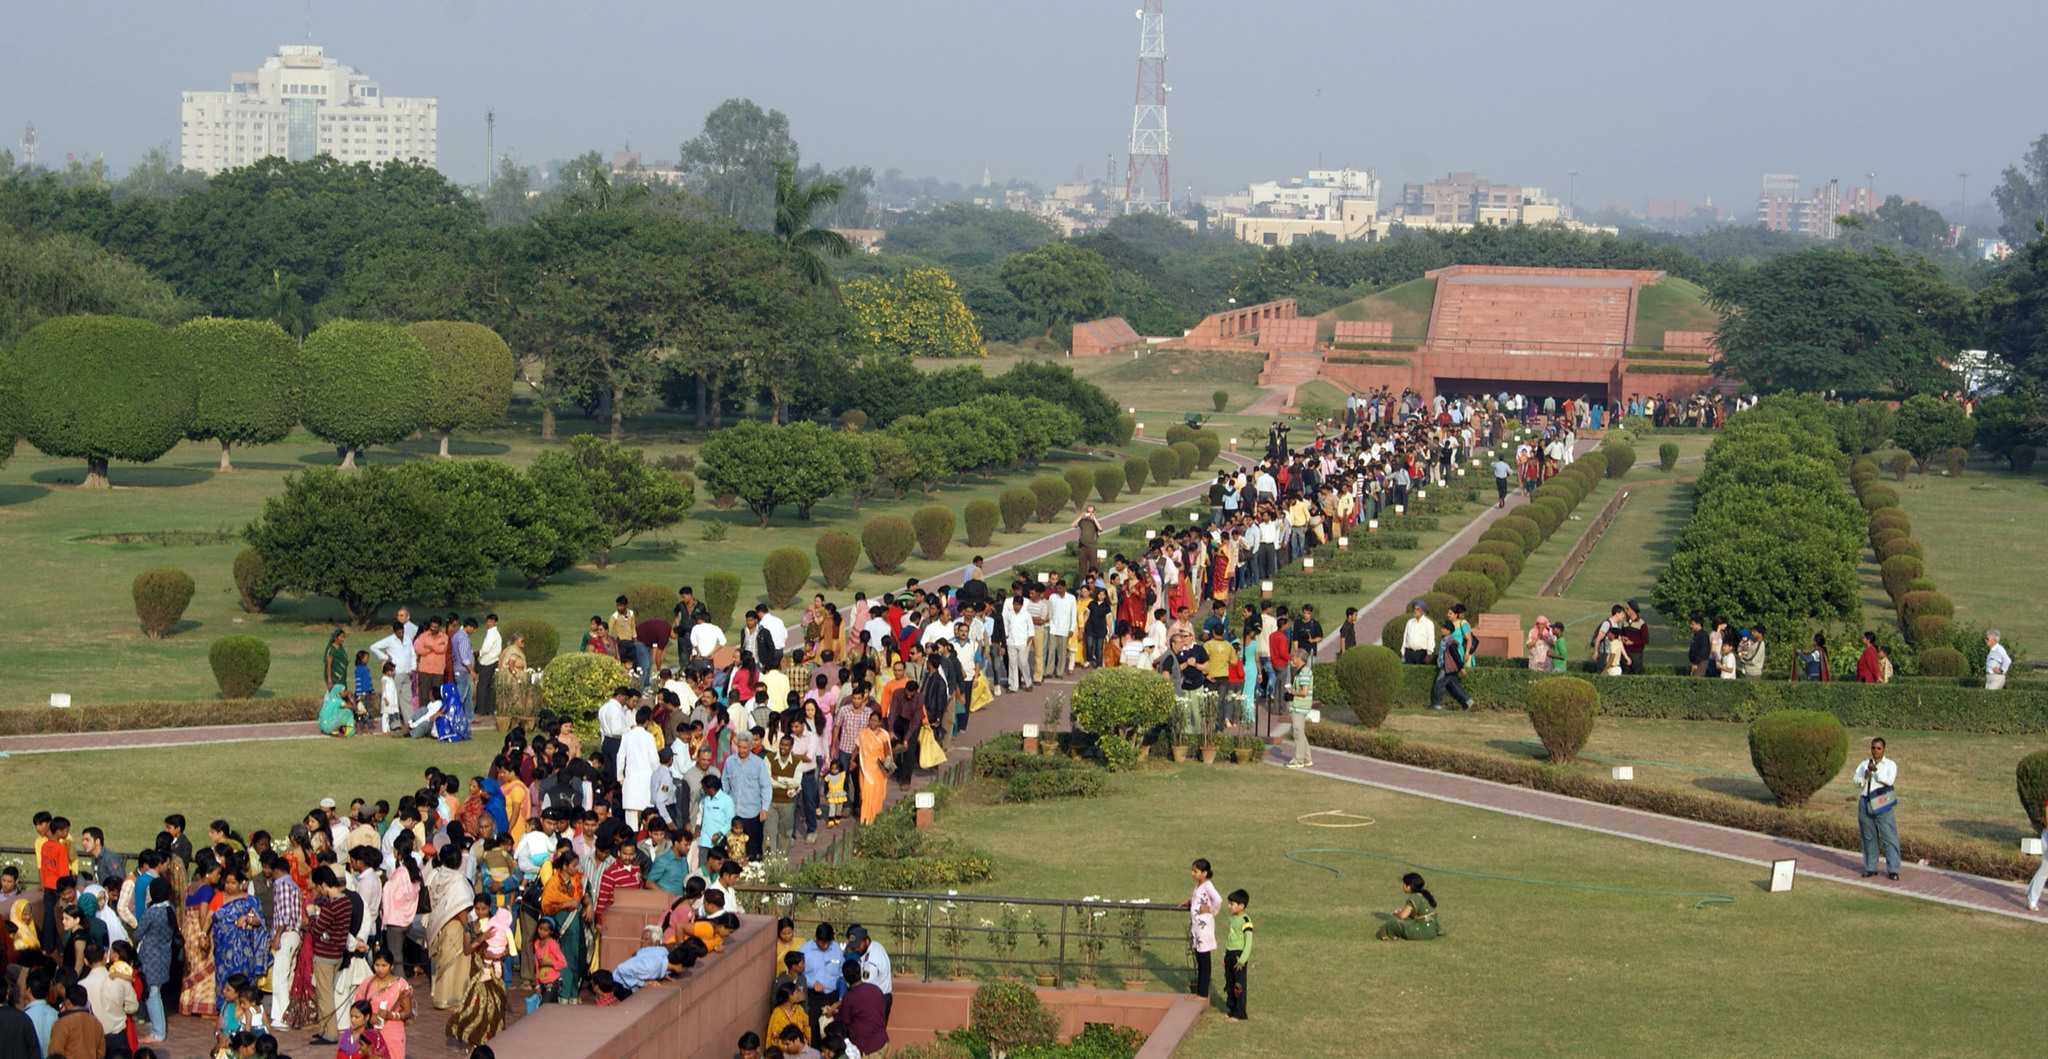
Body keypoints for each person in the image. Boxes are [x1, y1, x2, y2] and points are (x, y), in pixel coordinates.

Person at [447, 899, 507, 1047]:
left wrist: (499, 955)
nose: (480, 912)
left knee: (495, 1004)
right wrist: (481, 939)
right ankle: (473, 1039)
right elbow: (467, 951)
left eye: (484, 909)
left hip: (494, 969)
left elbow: (506, 946)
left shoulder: (497, 924)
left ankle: (491, 1038)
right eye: (477, 909)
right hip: (477, 970)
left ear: (490, 908)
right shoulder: (470, 927)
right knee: (475, 1004)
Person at [352, 949, 413, 1059]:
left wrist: (391, 1015)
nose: (380, 969)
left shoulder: (401, 985)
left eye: (384, 966)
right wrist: (369, 1016)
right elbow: (357, 1006)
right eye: (377, 965)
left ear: (391, 966)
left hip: (393, 1033)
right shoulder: (367, 983)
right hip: (371, 1032)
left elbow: (408, 1012)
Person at [1854, 737, 1900, 880]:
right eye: (1873, 748)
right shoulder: (1864, 764)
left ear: (1884, 749)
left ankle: (1893, 870)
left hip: (1882, 802)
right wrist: (1864, 777)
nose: (1875, 751)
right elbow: (1856, 782)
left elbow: (1889, 781)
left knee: (1889, 836)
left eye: (1879, 748)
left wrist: (1876, 772)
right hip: (1865, 800)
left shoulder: (1890, 765)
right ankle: (1870, 867)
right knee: (1868, 836)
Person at [1180, 859, 1222, 1002]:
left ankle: (1203, 993)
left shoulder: (1208, 885)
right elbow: (1200, 900)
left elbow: (1218, 899)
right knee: (1200, 959)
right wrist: (1190, 902)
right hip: (1198, 928)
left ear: (1204, 873)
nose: (1192, 874)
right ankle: (1199, 991)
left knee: (1204, 961)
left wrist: (1211, 910)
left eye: (1195, 871)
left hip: (1204, 927)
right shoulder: (1199, 886)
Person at [1376, 872, 1441, 940]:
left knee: (1392, 923)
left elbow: (1402, 916)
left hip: (1423, 931)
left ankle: (1389, 935)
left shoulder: (1414, 897)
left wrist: (1397, 913)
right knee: (1406, 920)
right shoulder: (1425, 895)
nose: (1403, 886)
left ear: (1409, 886)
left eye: (1404, 884)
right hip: (1432, 930)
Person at [1221, 889, 1252, 1023]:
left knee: (1238, 985)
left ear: (1241, 906)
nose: (1229, 906)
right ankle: (1232, 1009)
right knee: (1230, 982)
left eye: (1232, 904)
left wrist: (1242, 960)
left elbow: (1248, 941)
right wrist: (1225, 954)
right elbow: (1230, 938)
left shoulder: (1245, 921)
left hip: (1238, 956)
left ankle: (1240, 1013)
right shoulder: (1232, 918)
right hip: (1230, 953)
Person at [1400, 600, 1434, 666]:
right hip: (1409, 652)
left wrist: (1429, 654)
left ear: (1423, 611)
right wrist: (1403, 653)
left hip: (1421, 653)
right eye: (1415, 609)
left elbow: (1430, 639)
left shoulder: (1428, 623)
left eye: (1418, 609)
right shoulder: (1410, 622)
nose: (1415, 611)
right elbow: (1405, 638)